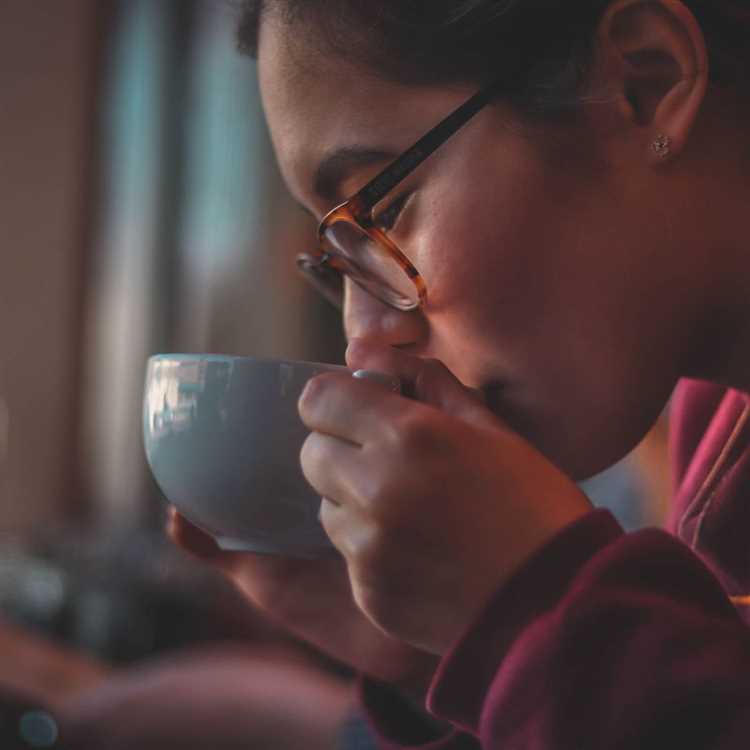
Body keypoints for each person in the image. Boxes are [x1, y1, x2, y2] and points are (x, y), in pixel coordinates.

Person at [168, 0, 750, 747]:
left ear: (642, 82)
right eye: (340, 263)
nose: (365, 344)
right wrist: (447, 666)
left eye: (386, 208)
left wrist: (534, 616)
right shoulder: (716, 420)